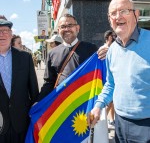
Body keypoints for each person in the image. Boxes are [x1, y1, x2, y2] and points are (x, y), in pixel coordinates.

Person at [88, 0, 150, 143]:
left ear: (136, 15)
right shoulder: (112, 50)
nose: (118, 16)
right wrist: (98, 106)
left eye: (124, 11)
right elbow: (111, 84)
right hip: (120, 123)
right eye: (113, 13)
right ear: (110, 20)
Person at [38, 13, 98, 100]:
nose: (66, 29)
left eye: (70, 25)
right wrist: (38, 101)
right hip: (62, 104)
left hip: (84, 101)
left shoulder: (91, 49)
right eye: (63, 27)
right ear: (58, 31)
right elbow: (49, 82)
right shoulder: (52, 53)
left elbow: (98, 75)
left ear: (77, 28)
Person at [0, 15, 39, 143]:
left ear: (11, 35)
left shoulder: (25, 57)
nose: (2, 34)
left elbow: (33, 91)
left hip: (22, 121)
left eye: (5, 31)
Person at [103, 30, 116, 129]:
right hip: (106, 80)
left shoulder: (115, 48)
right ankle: (102, 120)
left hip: (113, 80)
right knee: (109, 102)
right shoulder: (103, 49)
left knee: (112, 102)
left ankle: (111, 120)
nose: (115, 38)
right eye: (113, 37)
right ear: (109, 38)